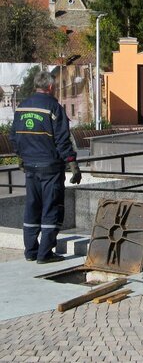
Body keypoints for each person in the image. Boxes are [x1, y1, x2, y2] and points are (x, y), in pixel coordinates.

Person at [10, 71, 82, 264]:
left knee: (32, 207)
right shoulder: (53, 107)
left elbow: (15, 136)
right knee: (51, 207)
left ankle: (31, 251)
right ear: (50, 87)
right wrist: (73, 163)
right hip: (50, 166)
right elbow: (62, 139)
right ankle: (45, 254)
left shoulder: (22, 107)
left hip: (30, 167)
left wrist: (20, 157)